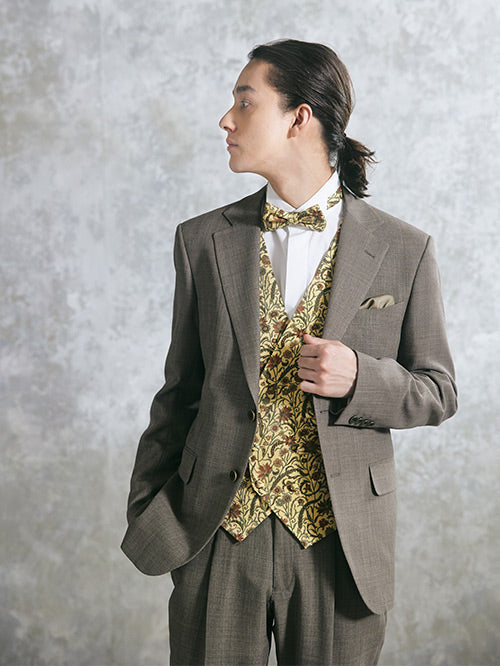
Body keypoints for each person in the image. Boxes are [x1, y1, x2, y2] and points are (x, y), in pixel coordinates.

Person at [122, 39, 457, 665]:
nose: (226, 119)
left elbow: (438, 391)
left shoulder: (403, 248)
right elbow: (179, 393)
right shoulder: (202, 241)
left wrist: (359, 378)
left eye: (245, 102)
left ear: (299, 117)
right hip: (217, 535)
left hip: (341, 544)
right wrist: (150, 512)